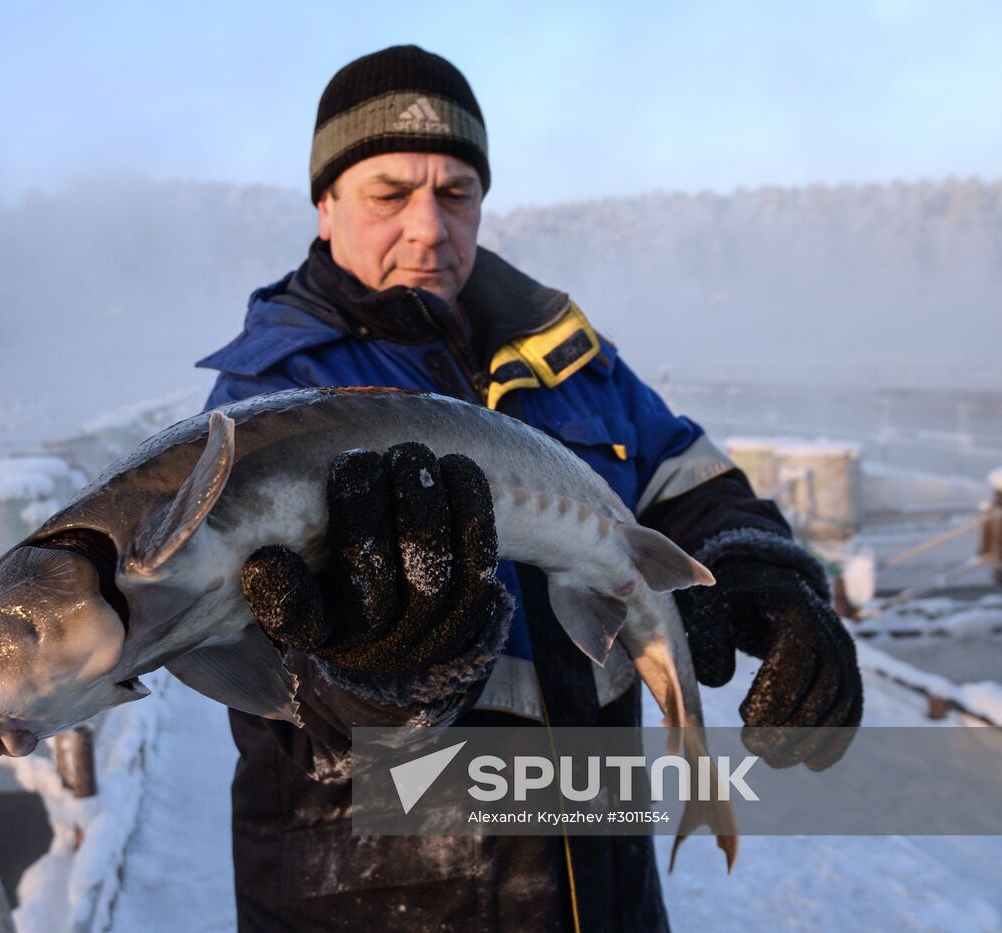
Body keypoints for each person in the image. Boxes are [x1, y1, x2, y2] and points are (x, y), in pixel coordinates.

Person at [198, 45, 863, 931]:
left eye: (457, 193)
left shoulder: (569, 356)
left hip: (604, 886)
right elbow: (253, 659)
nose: (430, 227)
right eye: (389, 194)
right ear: (325, 206)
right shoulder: (267, 406)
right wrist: (370, 671)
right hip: (378, 897)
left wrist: (764, 574)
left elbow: (687, 478)